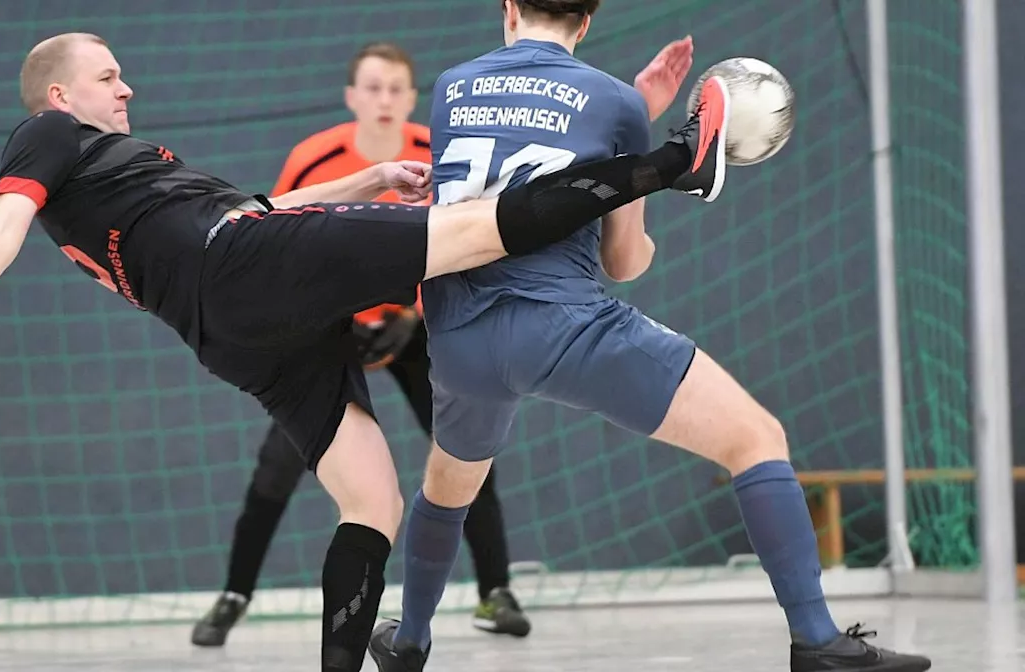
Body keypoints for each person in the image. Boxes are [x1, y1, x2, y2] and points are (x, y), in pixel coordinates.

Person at [0, 31, 725, 672]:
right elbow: (2, 221)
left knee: (373, 503)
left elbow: (260, 206)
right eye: (109, 76)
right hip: (241, 268)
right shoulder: (46, 134)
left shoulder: (114, 177)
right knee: (473, 234)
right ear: (60, 94)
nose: (127, 85)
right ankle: (671, 163)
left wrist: (357, 184)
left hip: (230, 332)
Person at [366, 3, 931, 672]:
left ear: (510, 7)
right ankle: (816, 643)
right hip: (560, 329)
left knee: (450, 483)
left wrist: (627, 111)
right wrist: (634, 122)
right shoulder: (612, 101)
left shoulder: (452, 86)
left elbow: (516, 143)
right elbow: (622, 261)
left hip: (458, 338)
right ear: (589, 19)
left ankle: (409, 643)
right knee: (756, 439)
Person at [190, 42, 529, 649]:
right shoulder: (314, 158)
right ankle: (234, 594)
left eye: (396, 88)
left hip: (418, 323)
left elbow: (471, 240)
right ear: (352, 97)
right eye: (372, 88)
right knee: (278, 465)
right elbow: (274, 244)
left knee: (466, 450)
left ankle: (496, 590)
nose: (384, 99)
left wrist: (411, 312)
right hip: (328, 328)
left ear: (411, 96)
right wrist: (336, 318)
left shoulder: (443, 153)